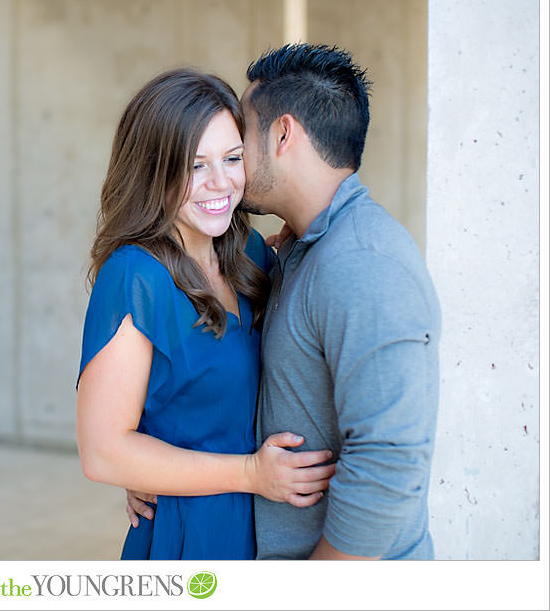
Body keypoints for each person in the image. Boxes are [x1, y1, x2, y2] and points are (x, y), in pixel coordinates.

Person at [128, 44, 441, 560]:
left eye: (240, 141)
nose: (231, 164)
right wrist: (150, 466)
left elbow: (389, 467)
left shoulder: (364, 264)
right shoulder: (290, 250)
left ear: (282, 134)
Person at [76, 68, 336, 560]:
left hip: (271, 527)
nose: (221, 183)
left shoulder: (250, 252)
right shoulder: (136, 277)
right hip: (195, 533)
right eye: (195, 166)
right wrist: (250, 474)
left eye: (232, 158)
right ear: (155, 170)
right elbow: (103, 451)